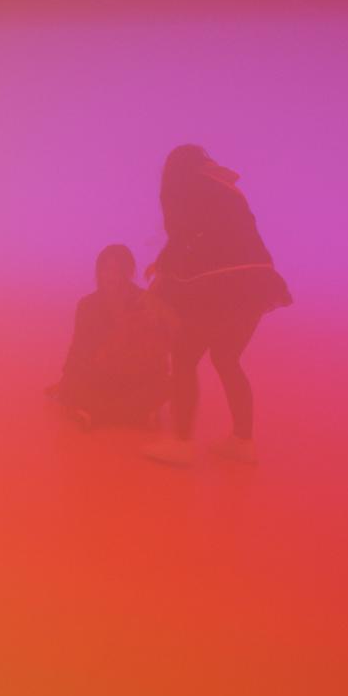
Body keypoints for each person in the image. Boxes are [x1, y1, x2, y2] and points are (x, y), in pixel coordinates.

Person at [142, 146, 292, 466]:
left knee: (183, 358)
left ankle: (182, 443)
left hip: (220, 285)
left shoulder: (182, 184)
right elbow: (218, 234)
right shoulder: (227, 188)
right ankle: (243, 441)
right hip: (257, 282)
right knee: (227, 359)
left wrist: (163, 268)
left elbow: (184, 234)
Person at [47, 243, 168, 429]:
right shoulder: (87, 305)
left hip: (136, 377)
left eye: (117, 270)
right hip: (100, 377)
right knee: (73, 387)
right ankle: (135, 417)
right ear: (98, 272)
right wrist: (67, 379)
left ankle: (96, 415)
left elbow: (157, 351)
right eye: (105, 270)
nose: (111, 276)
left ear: (128, 273)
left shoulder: (146, 302)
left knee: (163, 385)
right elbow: (78, 348)